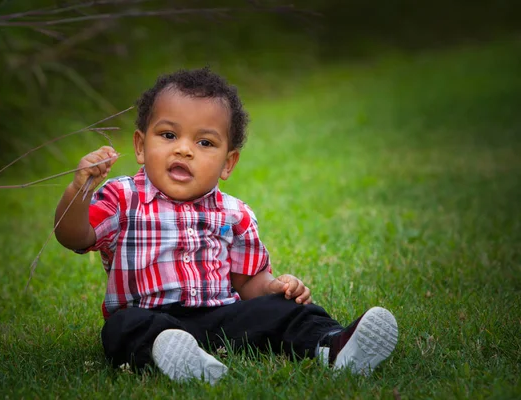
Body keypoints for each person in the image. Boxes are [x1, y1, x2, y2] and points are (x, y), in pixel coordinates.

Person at [54, 68, 398, 384]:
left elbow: (248, 282)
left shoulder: (234, 214)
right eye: (169, 135)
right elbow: (74, 236)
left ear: (227, 163)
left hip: (221, 318)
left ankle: (334, 346)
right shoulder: (121, 196)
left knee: (284, 310)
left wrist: (276, 287)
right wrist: (79, 190)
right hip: (151, 317)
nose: (184, 150)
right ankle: (175, 358)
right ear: (141, 146)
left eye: (204, 142)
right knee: (122, 328)